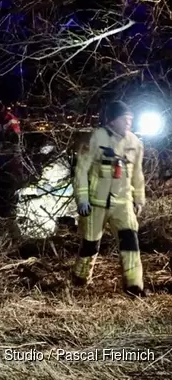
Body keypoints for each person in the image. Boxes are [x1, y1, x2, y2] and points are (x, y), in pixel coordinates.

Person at [73, 101, 146, 297]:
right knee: (90, 243)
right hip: (96, 203)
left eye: (130, 119)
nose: (129, 122)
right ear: (113, 120)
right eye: (124, 119)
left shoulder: (135, 143)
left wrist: (139, 198)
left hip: (123, 203)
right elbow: (81, 170)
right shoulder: (97, 138)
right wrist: (82, 199)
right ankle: (80, 278)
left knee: (130, 242)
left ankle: (134, 285)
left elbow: (138, 174)